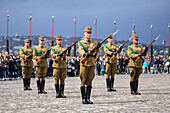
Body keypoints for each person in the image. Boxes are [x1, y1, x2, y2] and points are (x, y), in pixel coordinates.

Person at [78, 26, 100, 104]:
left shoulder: (94, 43)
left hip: (91, 63)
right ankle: (83, 98)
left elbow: (96, 52)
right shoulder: (81, 42)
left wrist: (98, 48)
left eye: (90, 33)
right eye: (87, 33)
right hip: (84, 63)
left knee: (90, 81)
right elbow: (80, 49)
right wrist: (84, 53)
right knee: (83, 81)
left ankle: (88, 98)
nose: (89, 34)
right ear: (84, 33)